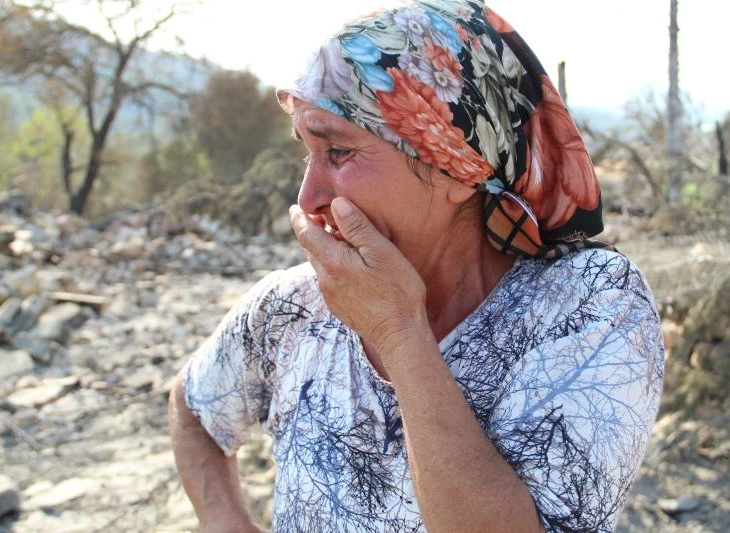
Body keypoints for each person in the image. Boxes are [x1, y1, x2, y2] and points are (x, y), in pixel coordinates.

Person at [169, 1, 665, 531]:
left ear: (457, 169)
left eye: (338, 151)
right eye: (306, 152)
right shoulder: (293, 308)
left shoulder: (588, 307)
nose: (307, 196)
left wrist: (399, 332)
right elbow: (195, 407)